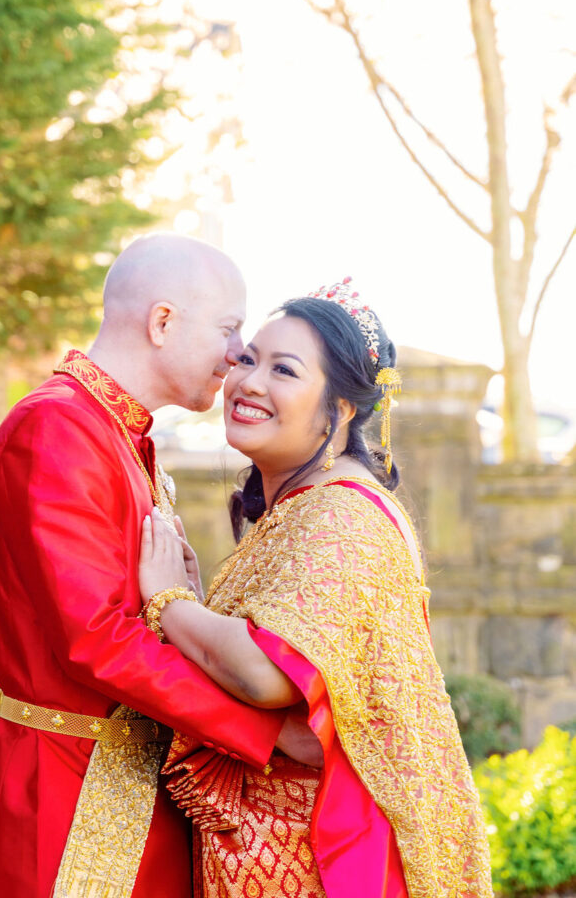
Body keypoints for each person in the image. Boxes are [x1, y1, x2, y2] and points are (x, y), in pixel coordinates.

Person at [0, 234, 317, 898]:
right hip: (58, 801)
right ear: (162, 321)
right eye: (228, 329)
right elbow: (97, 638)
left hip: (127, 788)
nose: (238, 354)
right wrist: (268, 732)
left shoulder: (117, 434)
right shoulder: (55, 429)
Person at [137, 280, 494, 898]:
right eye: (248, 358)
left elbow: (267, 671)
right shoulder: (306, 505)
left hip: (324, 858)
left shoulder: (341, 515)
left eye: (285, 370)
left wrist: (170, 603)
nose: (249, 382)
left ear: (344, 407)